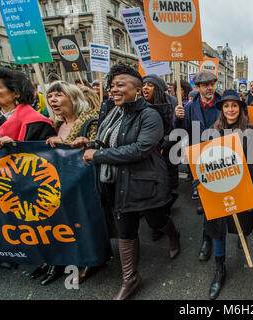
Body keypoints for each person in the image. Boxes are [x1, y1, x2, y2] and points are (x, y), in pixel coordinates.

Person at [82, 63, 180, 300]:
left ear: (137, 90)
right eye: (112, 86)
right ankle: (130, 278)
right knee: (126, 230)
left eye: (120, 85)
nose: (113, 90)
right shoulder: (114, 112)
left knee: (156, 220)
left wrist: (99, 155)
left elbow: (141, 149)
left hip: (146, 182)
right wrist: (89, 145)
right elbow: (106, 141)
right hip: (118, 184)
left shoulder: (150, 115)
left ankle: (174, 235)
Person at [201, 89, 253, 299]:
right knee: (217, 228)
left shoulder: (251, 132)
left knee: (242, 226)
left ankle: (242, 237)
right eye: (226, 106)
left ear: (241, 108)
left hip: (243, 189)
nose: (230, 109)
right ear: (222, 109)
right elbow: (203, 162)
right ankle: (220, 268)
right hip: (218, 190)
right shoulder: (211, 131)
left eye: (234, 105)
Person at [42, 81, 101, 285]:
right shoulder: (56, 125)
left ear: (73, 98)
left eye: (58, 95)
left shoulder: (90, 122)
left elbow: (95, 150)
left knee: (84, 220)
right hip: (60, 182)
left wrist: (69, 143)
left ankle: (91, 259)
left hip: (83, 183)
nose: (53, 100)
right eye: (50, 96)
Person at [0, 67, 56, 269]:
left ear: (15, 92)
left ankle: (47, 260)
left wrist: (14, 147)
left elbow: (45, 161)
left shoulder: (36, 122)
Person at [174, 71, 221, 262]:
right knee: (206, 202)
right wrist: (178, 118)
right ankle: (206, 238)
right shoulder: (189, 107)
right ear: (197, 88)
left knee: (219, 201)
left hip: (220, 158)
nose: (209, 88)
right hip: (199, 161)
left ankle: (219, 240)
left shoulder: (224, 104)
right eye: (205, 85)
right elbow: (181, 130)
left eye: (212, 84)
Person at [142, 74, 179, 240]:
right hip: (148, 156)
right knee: (152, 191)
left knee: (165, 189)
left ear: (157, 88)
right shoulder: (141, 105)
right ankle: (156, 225)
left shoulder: (171, 103)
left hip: (166, 153)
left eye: (150, 85)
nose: (145, 88)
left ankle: (163, 222)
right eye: (144, 84)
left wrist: (163, 145)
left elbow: (176, 130)